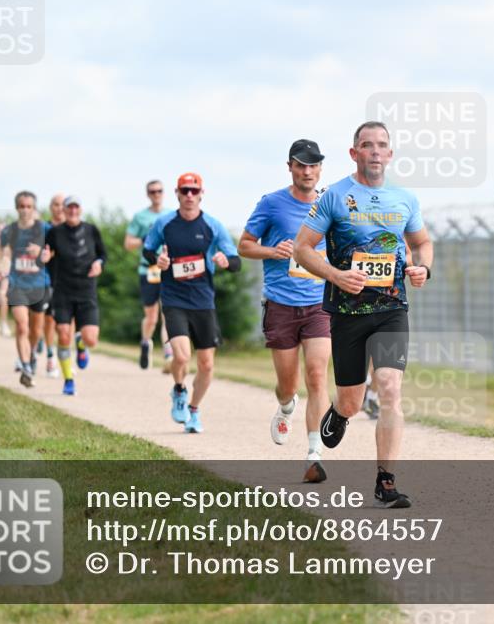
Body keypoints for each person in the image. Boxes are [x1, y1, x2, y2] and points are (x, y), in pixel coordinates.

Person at [294, 121, 433, 508]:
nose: (375, 151)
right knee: (352, 400)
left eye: (382, 145)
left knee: (389, 388)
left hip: (391, 309)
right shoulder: (335, 197)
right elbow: (302, 249)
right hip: (347, 312)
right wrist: (336, 275)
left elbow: (422, 242)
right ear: (354, 153)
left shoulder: (404, 199)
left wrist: (423, 267)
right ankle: (340, 412)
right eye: (367, 145)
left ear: (390, 154)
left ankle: (385, 482)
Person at [239, 139, 332, 483]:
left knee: (317, 375)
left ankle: (314, 455)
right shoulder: (272, 204)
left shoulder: (331, 204)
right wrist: (272, 251)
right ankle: (286, 406)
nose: (307, 171)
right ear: (290, 167)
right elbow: (244, 246)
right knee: (288, 384)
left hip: (320, 303)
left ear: (320, 168)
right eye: (301, 165)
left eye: (313, 165)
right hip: (280, 304)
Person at [142, 172, 242, 434]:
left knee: (206, 365)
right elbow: (148, 249)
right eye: (184, 190)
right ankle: (179, 390)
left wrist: (225, 261)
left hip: (203, 301)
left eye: (194, 191)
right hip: (173, 298)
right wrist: (157, 260)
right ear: (177, 193)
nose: (189, 195)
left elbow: (236, 261)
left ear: (201, 194)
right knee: (182, 355)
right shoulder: (164, 223)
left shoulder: (213, 226)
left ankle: (194, 410)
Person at [42, 196, 106, 396]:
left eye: (76, 207)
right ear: (64, 210)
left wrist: (99, 264)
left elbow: (102, 254)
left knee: (91, 340)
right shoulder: (54, 233)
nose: (72, 211)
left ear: (80, 209)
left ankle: (81, 343)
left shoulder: (91, 230)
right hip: (62, 291)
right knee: (62, 333)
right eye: (69, 207)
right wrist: (45, 258)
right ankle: (68, 379)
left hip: (86, 290)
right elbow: (46, 254)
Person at [1, 191, 51, 388]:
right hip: (17, 284)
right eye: (22, 206)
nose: (25, 210)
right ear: (16, 208)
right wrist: (1, 265)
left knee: (36, 330)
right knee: (22, 326)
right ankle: (26, 367)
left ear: (34, 208)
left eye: (29, 206)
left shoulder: (45, 228)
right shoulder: (9, 231)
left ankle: (31, 356)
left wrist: (43, 253)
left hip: (39, 284)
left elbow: (55, 250)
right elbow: (2, 253)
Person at [124, 179, 174, 371]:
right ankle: (146, 343)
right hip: (148, 269)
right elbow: (128, 244)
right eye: (152, 191)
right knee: (151, 317)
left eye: (159, 191)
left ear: (164, 192)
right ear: (147, 194)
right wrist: (144, 239)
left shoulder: (171, 215)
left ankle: (168, 354)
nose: (156, 194)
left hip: (168, 268)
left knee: (168, 312)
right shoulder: (140, 217)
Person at [38, 193, 66, 378]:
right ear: (51, 207)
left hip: (68, 280)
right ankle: (50, 357)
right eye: (56, 204)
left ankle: (66, 356)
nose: (59, 208)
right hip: (47, 278)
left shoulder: (72, 228)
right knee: (49, 320)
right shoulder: (44, 228)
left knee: (66, 322)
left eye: (62, 204)